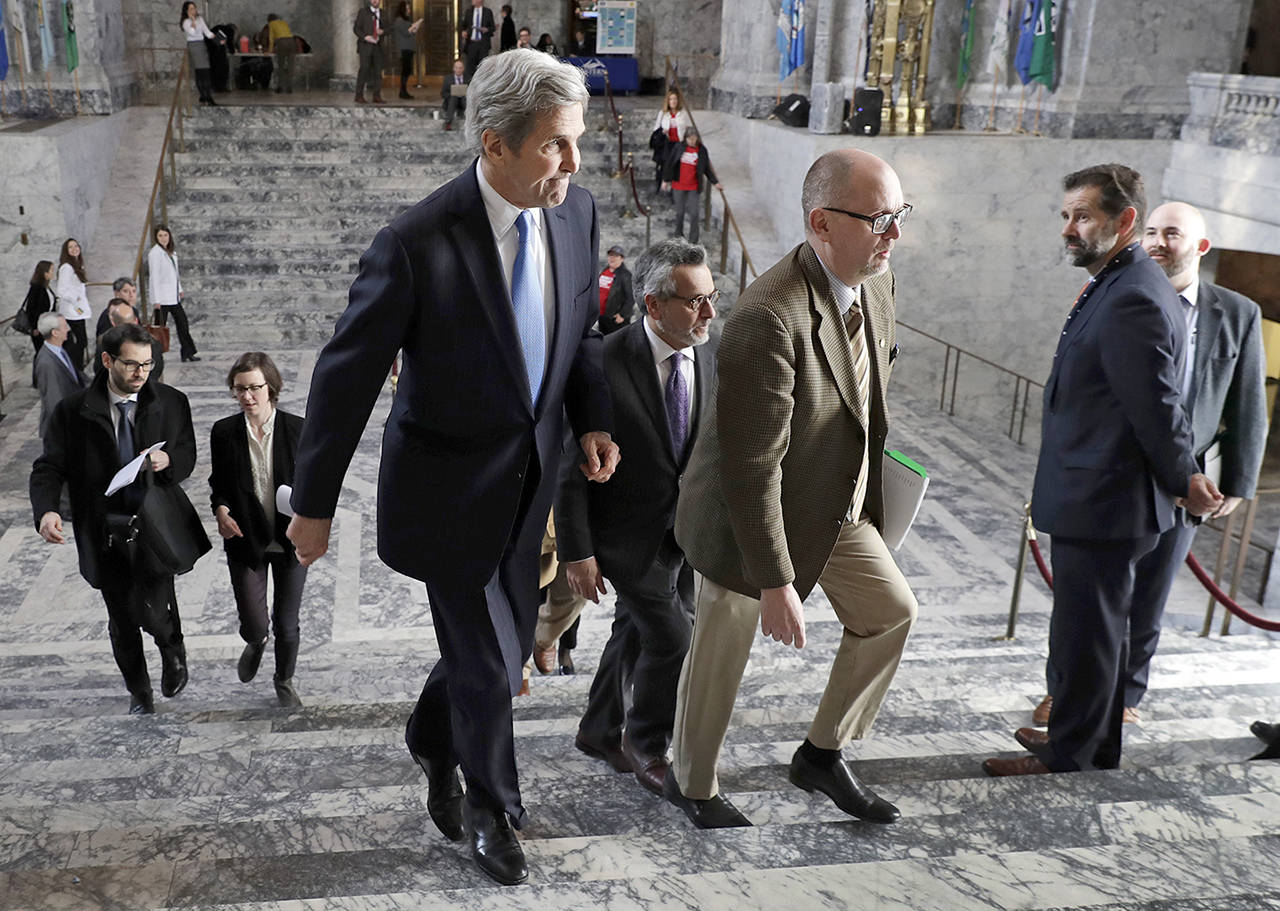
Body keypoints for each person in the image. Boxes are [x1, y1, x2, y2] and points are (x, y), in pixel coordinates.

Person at [285, 49, 618, 886]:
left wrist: (594, 419)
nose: (574, 165)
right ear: (496, 143)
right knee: (484, 665)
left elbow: (578, 331)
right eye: (555, 145)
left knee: (500, 661)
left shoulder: (576, 216)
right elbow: (345, 374)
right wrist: (314, 505)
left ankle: (432, 739)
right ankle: (492, 807)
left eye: (576, 143)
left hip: (530, 486)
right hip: (444, 495)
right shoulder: (414, 241)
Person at [667, 149, 917, 829]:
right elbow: (751, 470)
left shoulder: (877, 280)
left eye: (899, 216)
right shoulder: (766, 318)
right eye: (879, 220)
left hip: (831, 502)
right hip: (746, 517)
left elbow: (866, 393)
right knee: (723, 649)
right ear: (821, 223)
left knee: (891, 611)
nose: (894, 235)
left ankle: (822, 753)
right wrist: (777, 583)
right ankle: (691, 783)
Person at [984, 165, 1223, 778]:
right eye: (1066, 215)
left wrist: (1185, 480)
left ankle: (1074, 754)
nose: (1069, 228)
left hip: (1107, 497)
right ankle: (1083, 739)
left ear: (1124, 222)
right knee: (1092, 631)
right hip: (1097, 490)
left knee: (1089, 636)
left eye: (1083, 216)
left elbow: (1158, 406)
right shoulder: (1121, 280)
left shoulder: (1135, 293)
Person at [1030, 201, 1268, 729]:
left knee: (1149, 599)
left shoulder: (1236, 313)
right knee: (1087, 603)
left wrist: (1234, 483)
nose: (1159, 242)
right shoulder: (1123, 295)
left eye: (1174, 233)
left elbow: (1248, 406)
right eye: (1153, 231)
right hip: (1121, 478)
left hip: (1187, 485)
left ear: (1200, 247)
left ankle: (1125, 696)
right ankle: (1063, 694)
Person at [560, 238, 719, 796]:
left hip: (688, 534)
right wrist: (577, 552)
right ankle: (646, 745)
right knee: (674, 638)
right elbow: (568, 465)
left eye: (712, 298)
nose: (709, 313)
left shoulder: (712, 350)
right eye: (695, 301)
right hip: (623, 538)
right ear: (653, 304)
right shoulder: (601, 359)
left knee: (635, 630)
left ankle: (598, 728)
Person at [31, 323, 196, 715]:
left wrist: (170, 460)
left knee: (157, 610)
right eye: (131, 364)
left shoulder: (171, 402)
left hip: (155, 525)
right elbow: (48, 467)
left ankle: (172, 648)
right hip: (104, 529)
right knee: (122, 619)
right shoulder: (72, 412)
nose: (142, 373)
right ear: (106, 361)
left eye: (148, 364)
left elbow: (187, 453)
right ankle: (139, 692)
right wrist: (47, 510)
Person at [209, 352, 308, 708]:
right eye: (239, 390)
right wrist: (220, 509)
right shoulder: (224, 432)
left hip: (291, 539)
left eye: (254, 388)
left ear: (271, 387)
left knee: (287, 622)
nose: (247, 397)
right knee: (254, 621)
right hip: (244, 538)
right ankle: (254, 641)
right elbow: (218, 483)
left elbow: (317, 485)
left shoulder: (298, 429)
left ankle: (284, 680)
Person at [147, 224, 201, 363]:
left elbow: (174, 274)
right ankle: (155, 355)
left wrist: (180, 289)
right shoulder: (155, 253)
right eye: (160, 236)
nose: (163, 238)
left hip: (173, 297)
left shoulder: (171, 252)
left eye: (165, 235)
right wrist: (156, 300)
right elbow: (154, 278)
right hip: (162, 299)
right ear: (156, 237)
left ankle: (187, 352)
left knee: (183, 324)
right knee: (159, 329)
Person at [661, 128, 722, 244]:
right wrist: (665, 180)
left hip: (693, 186)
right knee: (680, 212)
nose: (692, 141)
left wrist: (715, 182)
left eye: (694, 139)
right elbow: (670, 164)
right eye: (690, 139)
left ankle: (693, 241)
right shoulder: (679, 147)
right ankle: (678, 236)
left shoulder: (702, 150)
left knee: (694, 213)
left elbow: (706, 169)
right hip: (678, 185)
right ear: (686, 138)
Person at [33, 313, 89, 438]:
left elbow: (74, 375)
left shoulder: (59, 350)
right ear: (55, 333)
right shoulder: (46, 363)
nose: (68, 329)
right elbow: (53, 399)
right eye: (64, 326)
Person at [94, 299, 166, 386]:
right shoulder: (152, 342)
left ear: (113, 323)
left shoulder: (103, 344)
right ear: (135, 321)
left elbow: (99, 371)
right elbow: (158, 368)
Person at [56, 238, 91, 370]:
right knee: (79, 341)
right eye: (70, 247)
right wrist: (75, 299)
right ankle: (75, 369)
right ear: (66, 251)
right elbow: (61, 290)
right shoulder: (67, 267)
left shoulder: (76, 265)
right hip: (72, 311)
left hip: (77, 310)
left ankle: (76, 367)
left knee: (80, 341)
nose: (74, 249)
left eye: (76, 246)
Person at [22, 260, 57, 388]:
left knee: (46, 353)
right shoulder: (36, 288)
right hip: (39, 328)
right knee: (41, 354)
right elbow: (31, 310)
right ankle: (38, 381)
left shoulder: (45, 286)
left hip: (47, 325)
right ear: (44, 273)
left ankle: (44, 379)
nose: (53, 273)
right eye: (51, 270)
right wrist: (35, 328)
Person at [181, 1, 221, 105]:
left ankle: (204, 96)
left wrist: (218, 39)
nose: (194, 10)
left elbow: (207, 32)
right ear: (186, 11)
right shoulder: (185, 22)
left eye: (194, 8)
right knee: (202, 71)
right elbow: (192, 33)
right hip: (194, 45)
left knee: (204, 71)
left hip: (201, 45)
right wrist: (193, 21)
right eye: (191, 9)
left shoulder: (200, 19)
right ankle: (207, 96)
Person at [650, 91, 691, 192]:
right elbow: (656, 129)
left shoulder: (682, 114)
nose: (673, 101)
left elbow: (686, 129)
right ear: (667, 101)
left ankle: (674, 190)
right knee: (664, 164)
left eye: (675, 99)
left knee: (677, 167)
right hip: (666, 143)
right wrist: (662, 132)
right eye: (671, 99)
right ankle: (660, 185)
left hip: (678, 143)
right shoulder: (663, 113)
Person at [353, 0, 387, 104]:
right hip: (365, 46)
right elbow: (356, 29)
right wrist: (365, 37)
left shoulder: (383, 13)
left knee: (378, 72)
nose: (375, 1)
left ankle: (377, 96)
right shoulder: (363, 12)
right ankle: (359, 95)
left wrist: (383, 31)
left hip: (378, 46)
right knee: (364, 70)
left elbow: (390, 28)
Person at [597, 244, 634, 334]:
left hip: (616, 319)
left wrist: (623, 314)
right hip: (602, 317)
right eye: (610, 255)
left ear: (622, 259)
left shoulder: (626, 275)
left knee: (617, 345)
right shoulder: (604, 271)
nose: (612, 258)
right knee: (604, 343)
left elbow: (631, 297)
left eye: (616, 256)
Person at [391, 2, 423, 99]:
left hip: (408, 48)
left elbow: (413, 30)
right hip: (404, 49)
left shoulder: (406, 20)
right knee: (405, 70)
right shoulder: (399, 21)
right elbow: (406, 32)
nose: (409, 10)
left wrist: (417, 25)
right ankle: (402, 91)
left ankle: (404, 90)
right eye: (407, 8)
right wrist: (417, 23)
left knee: (407, 70)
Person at [460, 0, 495, 81]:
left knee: (482, 67)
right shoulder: (469, 12)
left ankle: (482, 87)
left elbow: (492, 27)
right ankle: (470, 86)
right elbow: (463, 26)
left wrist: (486, 29)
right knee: (470, 68)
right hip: (471, 43)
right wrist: (463, 32)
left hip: (483, 44)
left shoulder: (488, 12)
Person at [265, 14, 298, 94]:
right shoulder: (283, 22)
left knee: (281, 66)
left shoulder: (271, 24)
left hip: (282, 42)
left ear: (269, 20)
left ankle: (280, 87)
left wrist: (269, 51)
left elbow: (271, 38)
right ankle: (289, 87)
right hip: (292, 42)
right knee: (291, 66)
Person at [441, 58, 466, 131]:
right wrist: (452, 95)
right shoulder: (447, 78)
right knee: (453, 97)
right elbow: (443, 93)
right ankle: (448, 122)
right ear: (453, 69)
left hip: (463, 101)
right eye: (456, 68)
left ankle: (471, 120)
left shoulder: (468, 78)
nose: (458, 70)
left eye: (460, 68)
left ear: (463, 69)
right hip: (451, 101)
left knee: (465, 98)